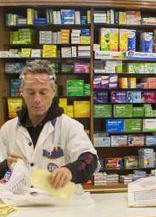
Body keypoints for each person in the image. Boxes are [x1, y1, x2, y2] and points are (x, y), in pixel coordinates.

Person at [0, 60, 98, 189]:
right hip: (21, 204)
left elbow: (90, 159)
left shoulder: (69, 126)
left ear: (53, 91)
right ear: (21, 92)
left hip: (60, 205)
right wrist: (5, 166)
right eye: (31, 92)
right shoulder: (8, 129)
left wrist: (70, 171)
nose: (37, 99)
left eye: (43, 92)